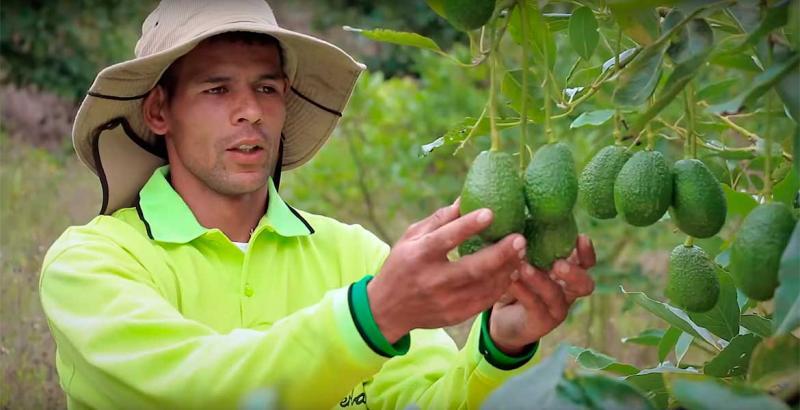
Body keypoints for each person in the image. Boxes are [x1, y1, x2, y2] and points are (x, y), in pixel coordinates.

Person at [39, 1, 596, 409]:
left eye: (266, 89)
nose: (250, 112)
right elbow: (198, 389)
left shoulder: (355, 255)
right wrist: (372, 316)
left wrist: (501, 347)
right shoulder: (90, 264)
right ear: (159, 111)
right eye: (217, 89)